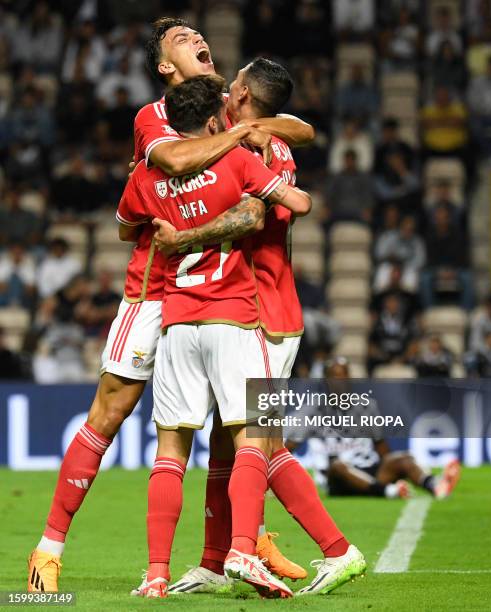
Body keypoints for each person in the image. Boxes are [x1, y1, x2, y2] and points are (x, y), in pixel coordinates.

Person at [27, 17, 315, 593]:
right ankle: (48, 548)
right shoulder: (154, 118)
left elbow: (300, 130)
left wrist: (251, 123)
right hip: (153, 288)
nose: (196, 40)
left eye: (196, 35)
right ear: (164, 66)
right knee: (109, 414)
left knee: (235, 427)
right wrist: (240, 135)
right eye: (180, 40)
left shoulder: (228, 109)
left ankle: (240, 545)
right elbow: (177, 163)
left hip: (217, 293)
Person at [154, 61, 360, 597]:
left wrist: (182, 239)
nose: (226, 81)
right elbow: (301, 128)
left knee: (260, 444)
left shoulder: (257, 150)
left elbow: (249, 217)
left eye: (235, 79)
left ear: (242, 94)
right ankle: (215, 561)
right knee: (232, 443)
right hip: (254, 308)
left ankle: (318, 550)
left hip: (263, 310)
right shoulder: (260, 136)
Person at [117, 74, 318, 598]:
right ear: (214, 120)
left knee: (169, 452)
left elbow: (124, 227)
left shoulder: (147, 173)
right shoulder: (235, 159)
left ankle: (156, 574)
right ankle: (242, 552)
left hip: (177, 320)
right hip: (234, 313)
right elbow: (293, 205)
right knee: (252, 435)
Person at [287, 358, 461, 499]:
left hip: (369, 470)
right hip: (336, 478)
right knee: (339, 466)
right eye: (335, 376)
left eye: (345, 375)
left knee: (404, 458)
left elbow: (381, 447)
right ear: (326, 380)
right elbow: (289, 448)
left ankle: (436, 486)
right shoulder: (313, 410)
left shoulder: (367, 407)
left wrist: (396, 466)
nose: (341, 381)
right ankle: (389, 492)